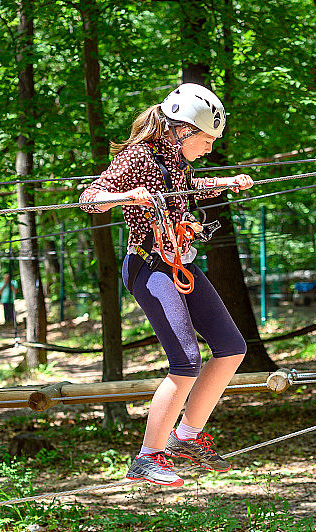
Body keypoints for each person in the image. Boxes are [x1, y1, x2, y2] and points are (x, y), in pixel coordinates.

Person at [80, 83, 253, 487]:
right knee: (186, 361)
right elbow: (89, 198)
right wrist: (127, 195)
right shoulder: (139, 156)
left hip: (177, 262)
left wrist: (225, 183)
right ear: (183, 129)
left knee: (231, 347)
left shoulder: (175, 160)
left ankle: (187, 436)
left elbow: (184, 192)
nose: (209, 148)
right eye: (207, 140)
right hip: (147, 265)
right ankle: (147, 456)